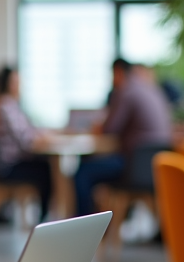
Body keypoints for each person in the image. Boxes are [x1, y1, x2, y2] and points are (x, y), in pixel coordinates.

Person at [74, 59, 173, 216]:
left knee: (82, 173)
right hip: (155, 166)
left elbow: (109, 129)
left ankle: (82, 228)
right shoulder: (153, 89)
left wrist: (97, 126)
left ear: (118, 72)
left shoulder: (126, 91)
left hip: (133, 166)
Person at [0, 66, 52, 221]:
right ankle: (44, 220)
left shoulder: (6, 103)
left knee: (44, 165)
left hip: (6, 164)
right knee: (47, 170)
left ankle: (45, 219)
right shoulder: (5, 104)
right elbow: (25, 139)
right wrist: (42, 138)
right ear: (7, 83)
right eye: (15, 81)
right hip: (8, 167)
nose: (18, 85)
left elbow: (26, 130)